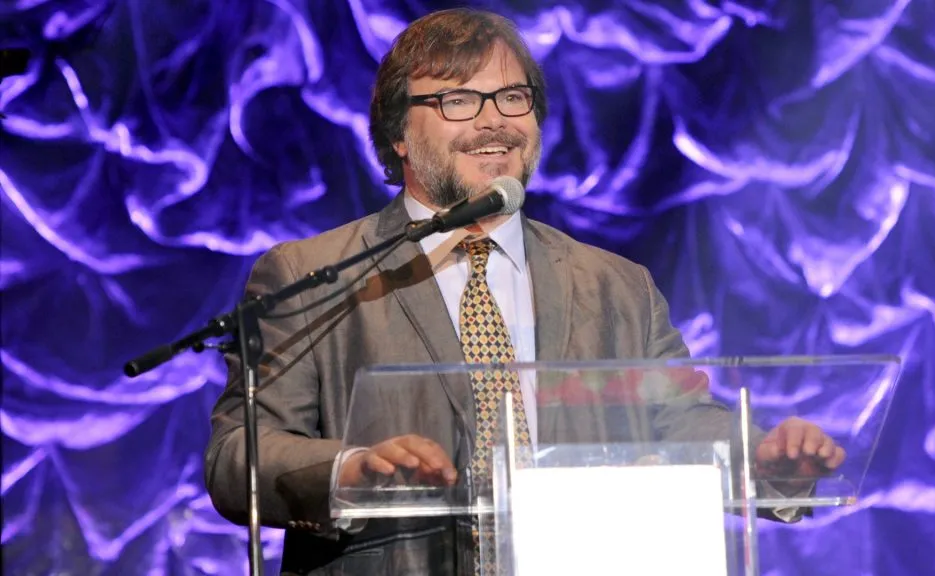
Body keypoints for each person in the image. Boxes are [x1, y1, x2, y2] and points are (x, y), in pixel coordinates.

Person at [204, 8, 846, 575]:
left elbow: (679, 424)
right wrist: (352, 468)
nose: (495, 122)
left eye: (513, 97)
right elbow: (240, 457)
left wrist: (760, 461)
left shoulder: (616, 285)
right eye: (458, 100)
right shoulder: (310, 274)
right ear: (399, 133)